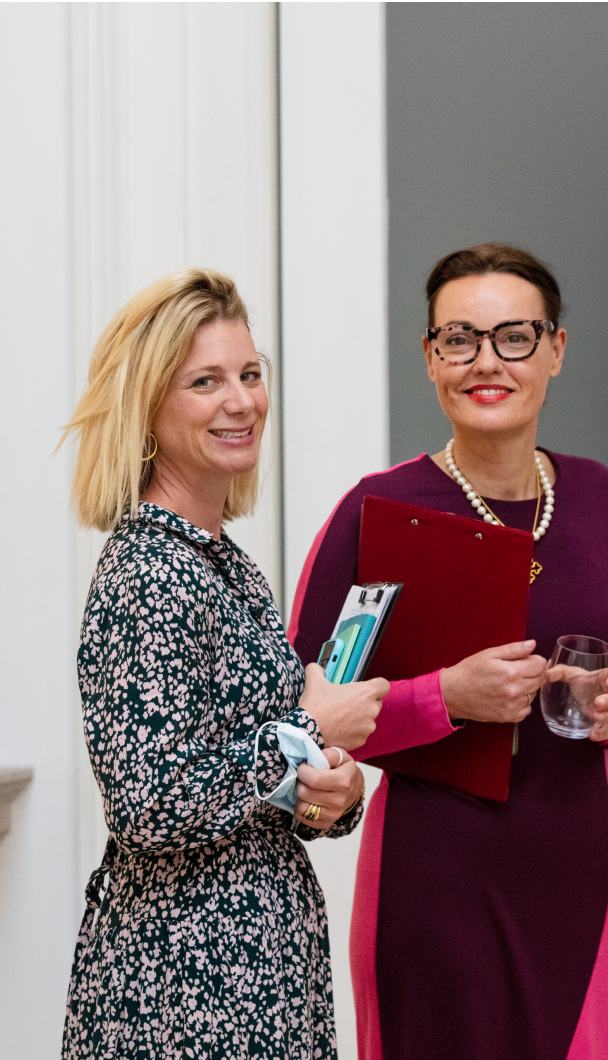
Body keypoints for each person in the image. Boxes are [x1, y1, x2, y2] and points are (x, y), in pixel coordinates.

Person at [288, 244, 608, 1060]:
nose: (486, 362)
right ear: (430, 357)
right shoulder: (379, 510)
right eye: (459, 339)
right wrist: (446, 698)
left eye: (515, 337)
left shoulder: (604, 499)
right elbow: (295, 729)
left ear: (557, 350)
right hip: (433, 891)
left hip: (587, 886)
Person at [60, 268, 389, 1060]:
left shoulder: (223, 562)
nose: (242, 401)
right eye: (206, 381)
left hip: (254, 977)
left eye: (250, 374)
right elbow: (148, 802)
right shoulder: (151, 570)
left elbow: (241, 780)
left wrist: (327, 792)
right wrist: (311, 725)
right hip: (184, 989)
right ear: (148, 406)